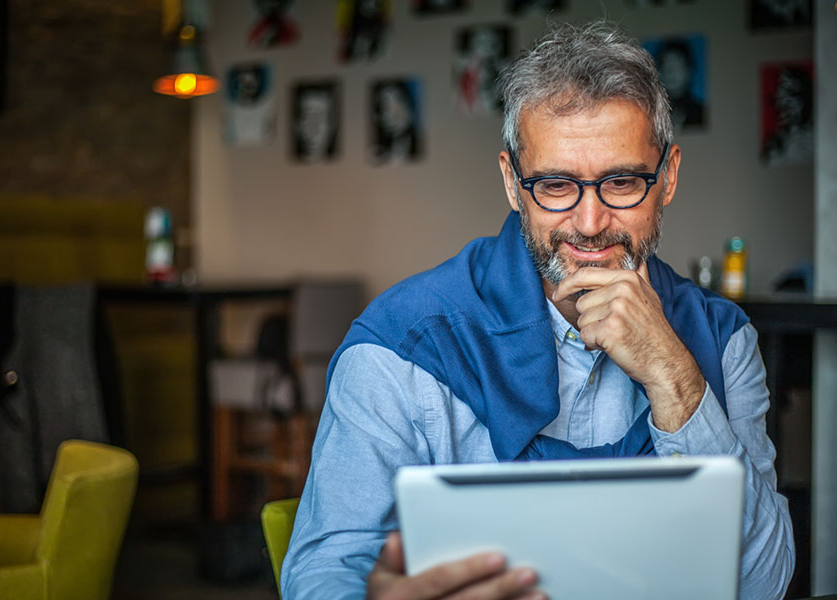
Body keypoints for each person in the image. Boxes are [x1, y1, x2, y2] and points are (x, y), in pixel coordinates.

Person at [283, 20, 795, 600]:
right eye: (555, 185)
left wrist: (675, 379)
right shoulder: (401, 345)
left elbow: (764, 585)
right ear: (512, 182)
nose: (590, 222)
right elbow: (324, 574)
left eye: (622, 181)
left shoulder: (724, 341)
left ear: (668, 177)